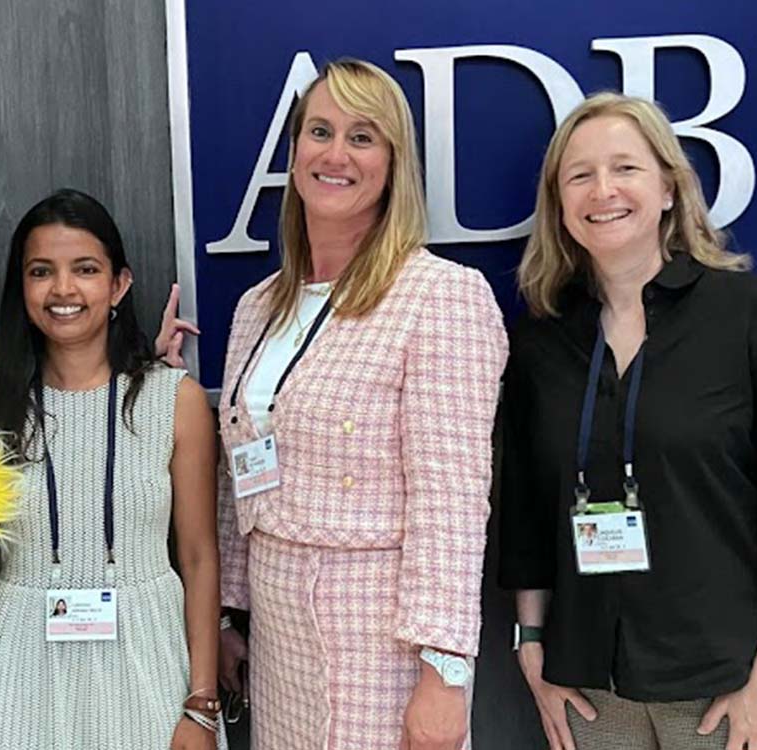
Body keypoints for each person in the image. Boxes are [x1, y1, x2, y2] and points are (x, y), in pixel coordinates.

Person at [498, 92, 757, 750]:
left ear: (668, 187)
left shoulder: (751, 314)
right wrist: (532, 643)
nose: (603, 190)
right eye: (579, 175)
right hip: (596, 695)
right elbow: (525, 515)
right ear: (559, 204)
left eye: (625, 168)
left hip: (735, 688)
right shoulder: (541, 345)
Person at [209, 59, 507, 749]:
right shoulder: (258, 307)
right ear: (295, 152)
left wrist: (444, 673)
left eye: (363, 136)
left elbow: (452, 500)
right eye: (320, 131)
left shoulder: (440, 297)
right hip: (277, 636)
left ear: (394, 163)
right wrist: (228, 613)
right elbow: (239, 468)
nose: (336, 154)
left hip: (382, 641)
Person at [0, 190, 226, 750]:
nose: (63, 289)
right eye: (41, 271)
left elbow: (199, 556)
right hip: (22, 662)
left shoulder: (171, 400)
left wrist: (202, 703)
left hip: (148, 650)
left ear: (119, 285)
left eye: (85, 269)